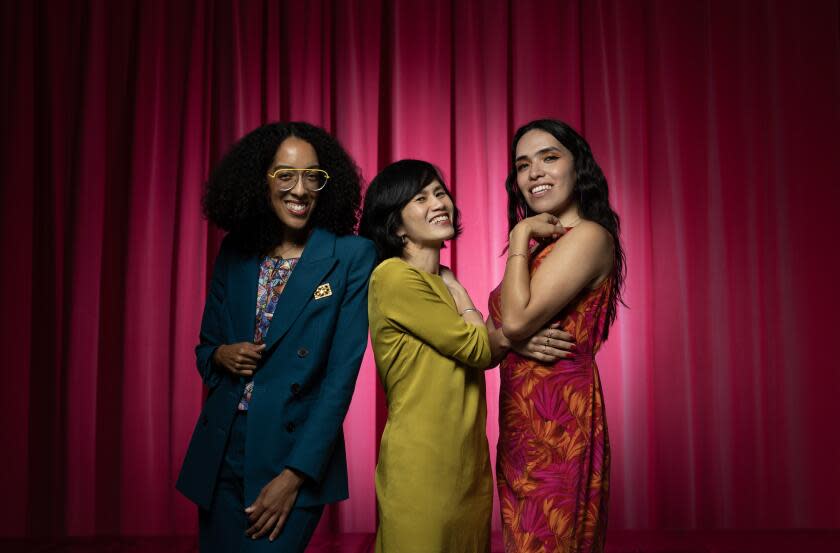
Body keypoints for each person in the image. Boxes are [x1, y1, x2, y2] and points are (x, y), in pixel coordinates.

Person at [176, 121, 377, 553]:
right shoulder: (235, 251)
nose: (300, 190)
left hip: (290, 452)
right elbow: (204, 349)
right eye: (285, 175)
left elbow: (339, 381)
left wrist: (294, 476)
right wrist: (222, 355)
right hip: (222, 450)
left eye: (312, 176)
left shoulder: (350, 257)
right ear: (260, 181)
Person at [487, 119, 626, 553]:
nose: (535, 173)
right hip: (519, 421)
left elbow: (509, 322)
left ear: (577, 166)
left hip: (559, 422)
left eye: (549, 157)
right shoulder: (537, 251)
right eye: (523, 165)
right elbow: (490, 346)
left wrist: (519, 233)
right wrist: (516, 336)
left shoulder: (588, 236)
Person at [359, 160, 493, 553]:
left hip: (467, 467)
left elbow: (481, 346)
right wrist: (457, 287)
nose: (439, 202)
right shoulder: (393, 277)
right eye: (421, 198)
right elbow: (479, 348)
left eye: (440, 193)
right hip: (421, 468)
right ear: (397, 225)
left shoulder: (438, 282)